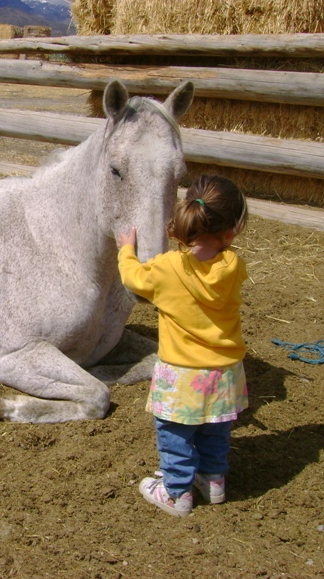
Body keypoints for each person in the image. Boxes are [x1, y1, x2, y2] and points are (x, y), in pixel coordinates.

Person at [116, 174, 249, 517]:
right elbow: (217, 257)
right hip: (225, 374)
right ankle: (213, 481)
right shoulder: (233, 267)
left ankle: (176, 493)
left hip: (182, 375)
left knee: (175, 434)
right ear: (231, 232)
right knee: (216, 428)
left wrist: (126, 251)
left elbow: (133, 278)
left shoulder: (167, 268)